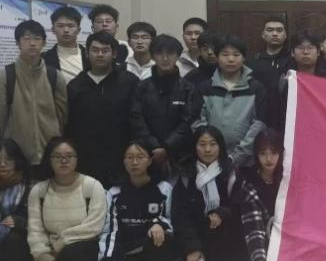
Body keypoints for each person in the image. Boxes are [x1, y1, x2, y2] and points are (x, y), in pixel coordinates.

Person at [24, 138, 109, 261]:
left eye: (69, 156)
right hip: (52, 251)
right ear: (49, 160)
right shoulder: (39, 191)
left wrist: (62, 242)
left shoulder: (92, 186)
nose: (64, 161)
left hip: (84, 247)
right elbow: (35, 229)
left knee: (73, 252)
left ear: (77, 159)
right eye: (57, 156)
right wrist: (43, 256)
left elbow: (94, 226)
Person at [173, 126, 248, 261]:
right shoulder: (186, 176)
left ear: (220, 146)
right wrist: (192, 248)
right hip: (197, 234)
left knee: (221, 236)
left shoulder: (230, 172)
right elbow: (180, 215)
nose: (207, 149)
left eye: (213, 144)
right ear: (195, 147)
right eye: (202, 144)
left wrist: (223, 212)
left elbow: (238, 203)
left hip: (226, 233)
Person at [96, 143, 175, 261]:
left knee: (162, 236)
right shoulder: (114, 192)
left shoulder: (164, 188)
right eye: (129, 157)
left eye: (140, 157)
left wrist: (159, 224)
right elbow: (110, 230)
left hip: (155, 246)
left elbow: (173, 219)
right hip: (128, 251)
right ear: (123, 161)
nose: (134, 162)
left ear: (150, 160)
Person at [0, 20, 68, 164]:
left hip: (50, 155)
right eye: (26, 38)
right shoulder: (5, 77)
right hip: (17, 157)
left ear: (44, 43)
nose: (32, 43)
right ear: (17, 43)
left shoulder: (55, 76)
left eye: (37, 39)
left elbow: (62, 116)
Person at [66, 31, 141, 186]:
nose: (100, 54)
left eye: (105, 50)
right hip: (85, 160)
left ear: (114, 54)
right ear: (87, 53)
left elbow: (137, 119)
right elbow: (70, 125)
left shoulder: (129, 82)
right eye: (95, 50)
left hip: (121, 160)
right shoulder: (75, 86)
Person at [232, 129, 290, 261]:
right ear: (256, 155)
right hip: (258, 238)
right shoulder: (248, 182)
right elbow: (254, 226)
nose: (269, 159)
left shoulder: (288, 178)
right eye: (263, 153)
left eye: (274, 153)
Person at [131, 34, 202, 175]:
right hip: (148, 153)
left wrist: (167, 147)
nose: (165, 58)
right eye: (159, 53)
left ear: (178, 56)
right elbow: (136, 119)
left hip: (181, 154)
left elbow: (189, 120)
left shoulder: (188, 88)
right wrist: (155, 146)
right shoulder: (142, 87)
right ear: (152, 56)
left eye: (170, 53)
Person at [198, 35, 268, 167]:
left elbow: (259, 124)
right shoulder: (206, 87)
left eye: (236, 54)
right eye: (225, 54)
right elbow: (199, 122)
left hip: (247, 162)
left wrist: (236, 157)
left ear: (244, 58)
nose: (230, 59)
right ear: (217, 57)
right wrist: (211, 150)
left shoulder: (256, 87)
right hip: (210, 160)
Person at [43, 5, 87, 82]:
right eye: (60, 26)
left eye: (71, 26)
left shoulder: (89, 55)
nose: (66, 30)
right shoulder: (44, 59)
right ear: (53, 29)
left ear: (78, 30)